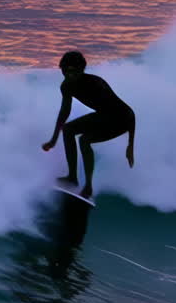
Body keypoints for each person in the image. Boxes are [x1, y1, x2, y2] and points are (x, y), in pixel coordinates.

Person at [42, 50, 135, 199]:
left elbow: (129, 114)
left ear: (81, 70)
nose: (69, 75)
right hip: (102, 115)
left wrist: (130, 145)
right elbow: (64, 112)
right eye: (65, 71)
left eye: (73, 71)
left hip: (121, 119)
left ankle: (88, 187)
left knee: (84, 140)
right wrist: (53, 140)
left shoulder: (96, 83)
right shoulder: (66, 86)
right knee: (68, 129)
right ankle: (72, 177)